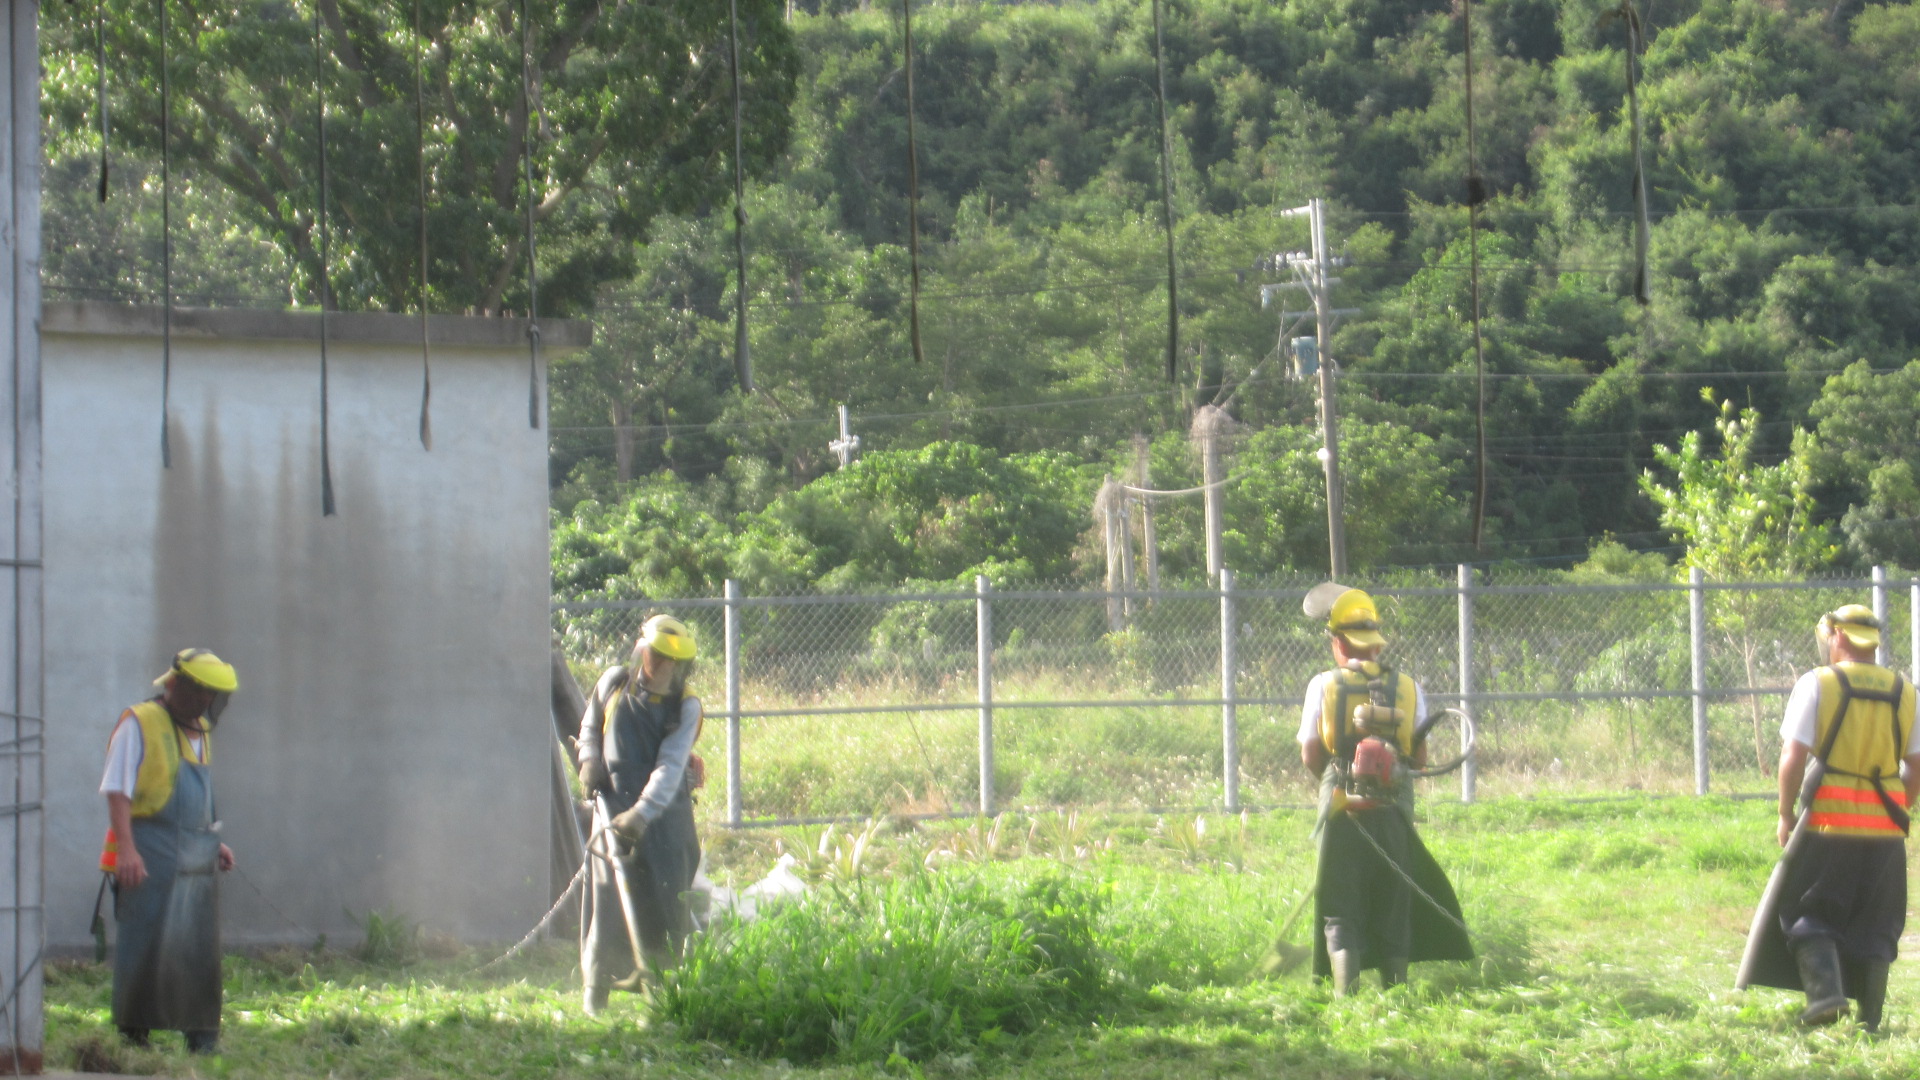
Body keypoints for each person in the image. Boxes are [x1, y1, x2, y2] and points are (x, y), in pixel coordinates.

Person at [1743, 605, 1919, 1031]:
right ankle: (1870, 1021)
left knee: (1808, 909)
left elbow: (1793, 755)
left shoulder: (1818, 683)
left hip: (1828, 823)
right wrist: (1898, 809)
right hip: (1885, 829)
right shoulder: (1906, 691)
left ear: (1837, 636)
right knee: (1878, 921)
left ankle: (1825, 997)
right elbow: (1916, 766)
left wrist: (1785, 813)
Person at [1297, 585, 1472, 994]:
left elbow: (1310, 753)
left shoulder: (1322, 685)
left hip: (1341, 803)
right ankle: (1395, 995)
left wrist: (1336, 782)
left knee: (1340, 902)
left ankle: (1346, 995)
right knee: (1394, 897)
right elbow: (1420, 758)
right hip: (1393, 805)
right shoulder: (1410, 688)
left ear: (1339, 642)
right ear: (1375, 643)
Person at [99, 648, 239, 1054]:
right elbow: (117, 790)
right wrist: (127, 851)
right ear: (175, 684)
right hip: (148, 854)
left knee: (197, 949)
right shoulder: (139, 722)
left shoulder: (201, 731)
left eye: (211, 694)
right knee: (145, 944)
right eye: (198, 691)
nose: (204, 701)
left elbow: (197, 800)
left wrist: (212, 842)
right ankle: (133, 1036)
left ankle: (201, 1037)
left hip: (196, 857)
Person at [575, 614, 705, 1015]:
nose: (661, 668)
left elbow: (670, 766)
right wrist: (589, 760)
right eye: (655, 658)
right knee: (608, 902)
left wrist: (642, 813)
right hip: (613, 811)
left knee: (666, 903)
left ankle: (662, 995)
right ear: (641, 654)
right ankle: (597, 990)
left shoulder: (685, 707)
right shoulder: (613, 683)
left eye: (671, 663)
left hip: (665, 820)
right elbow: (590, 726)